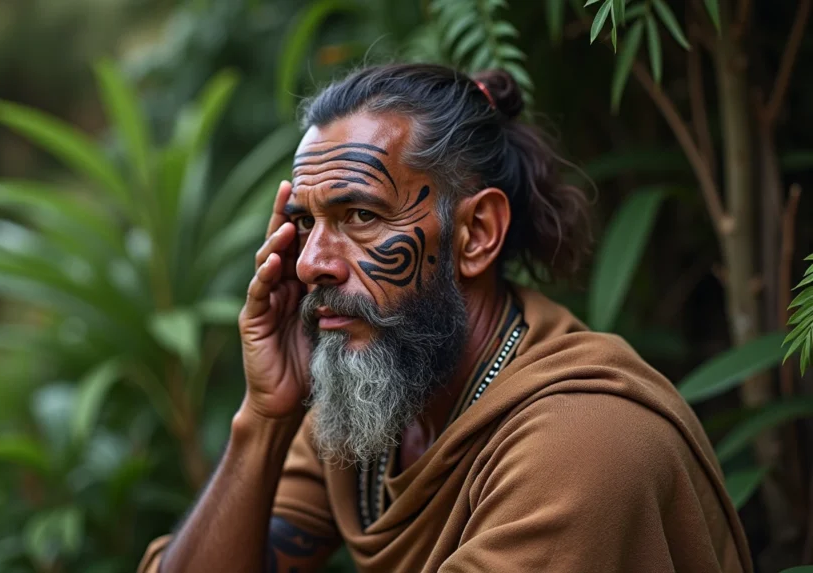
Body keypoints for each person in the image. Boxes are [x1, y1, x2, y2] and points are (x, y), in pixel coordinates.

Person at [138, 63, 752, 573]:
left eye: (360, 216)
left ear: (476, 234)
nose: (310, 264)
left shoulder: (580, 440)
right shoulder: (378, 404)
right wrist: (265, 418)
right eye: (305, 222)